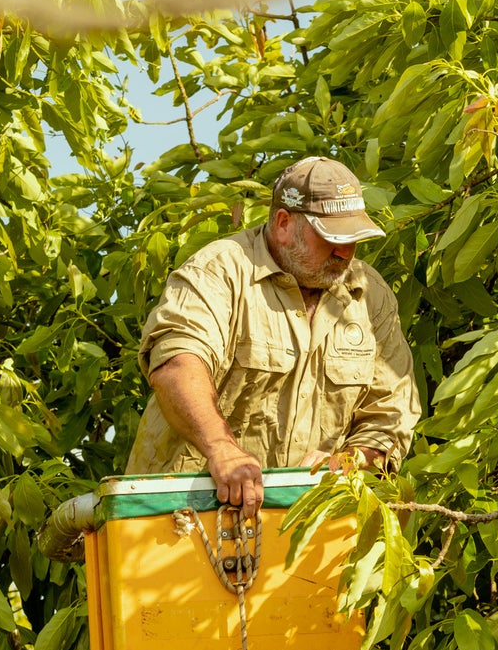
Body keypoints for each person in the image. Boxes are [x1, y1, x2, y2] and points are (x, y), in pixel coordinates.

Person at [128, 156, 420, 514]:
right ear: (284, 223)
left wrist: (350, 461)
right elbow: (178, 363)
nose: (345, 252)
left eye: (354, 238)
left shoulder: (369, 293)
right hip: (184, 515)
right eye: (332, 237)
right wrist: (222, 449)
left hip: (310, 519)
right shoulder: (219, 271)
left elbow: (391, 413)